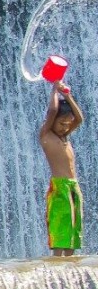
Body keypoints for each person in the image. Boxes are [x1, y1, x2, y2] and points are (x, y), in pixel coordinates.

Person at [39, 81, 84, 256]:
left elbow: (79, 118)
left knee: (73, 233)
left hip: (74, 186)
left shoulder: (64, 136)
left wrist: (67, 95)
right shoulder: (46, 135)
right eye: (61, 123)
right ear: (52, 122)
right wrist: (54, 91)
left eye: (67, 124)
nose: (65, 127)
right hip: (59, 188)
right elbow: (51, 112)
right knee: (60, 233)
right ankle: (57, 264)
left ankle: (69, 265)